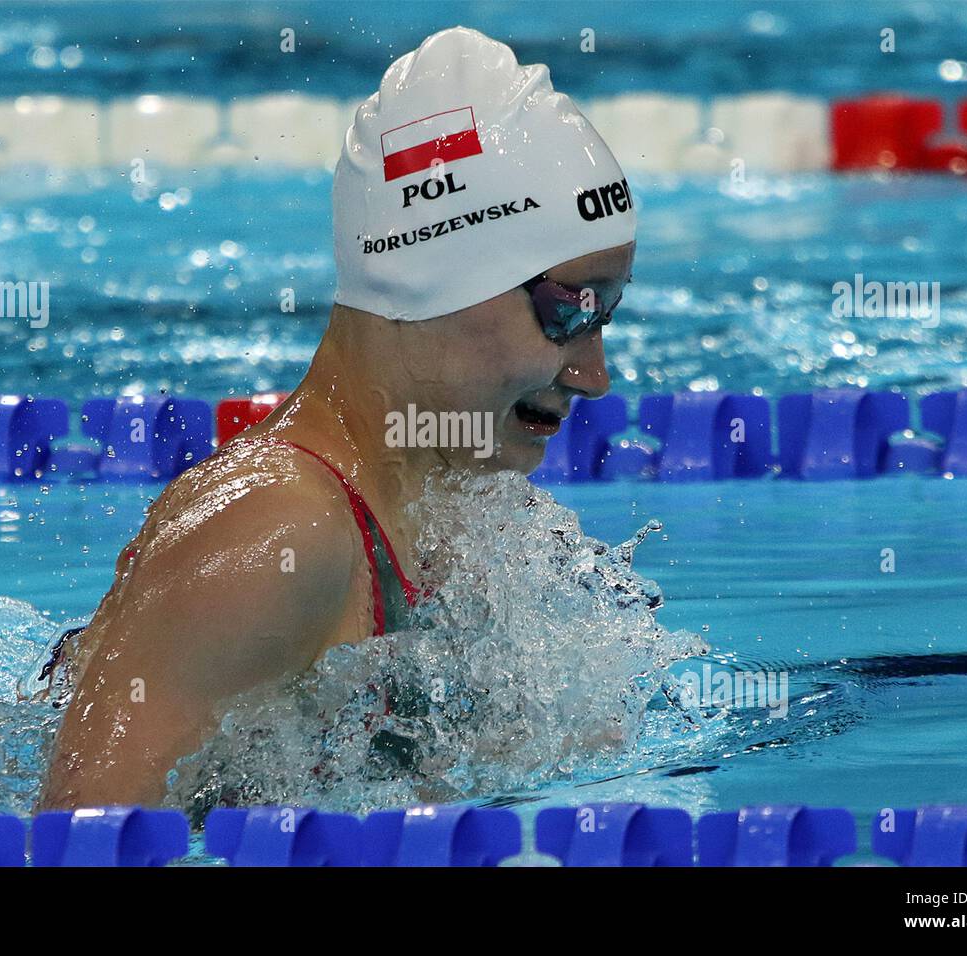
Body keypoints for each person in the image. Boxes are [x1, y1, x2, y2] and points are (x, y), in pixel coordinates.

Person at [39, 26, 636, 809]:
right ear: (440, 276)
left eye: (608, 316)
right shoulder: (275, 534)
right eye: (568, 314)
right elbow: (79, 849)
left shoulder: (444, 499)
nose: (594, 375)